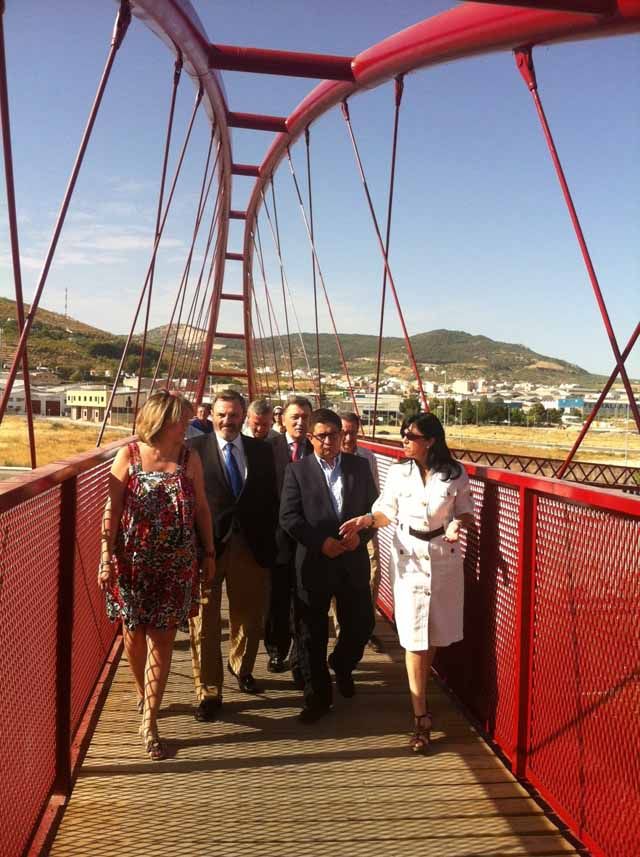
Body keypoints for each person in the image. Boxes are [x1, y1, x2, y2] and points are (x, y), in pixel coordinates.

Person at [340, 412, 474, 754]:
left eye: (409, 435)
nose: (403, 439)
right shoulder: (399, 472)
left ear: (429, 440)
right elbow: (387, 510)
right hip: (409, 557)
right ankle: (421, 715)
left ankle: (421, 691)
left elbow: (466, 510)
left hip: (443, 556)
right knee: (416, 637)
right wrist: (368, 519)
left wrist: (458, 524)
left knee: (433, 634)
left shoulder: (455, 473)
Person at [98, 390, 215, 760]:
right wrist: (104, 557)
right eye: (183, 420)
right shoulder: (128, 456)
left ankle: (149, 720)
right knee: (133, 636)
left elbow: (201, 509)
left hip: (176, 565)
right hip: (132, 563)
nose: (188, 426)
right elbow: (111, 510)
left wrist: (209, 552)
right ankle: (141, 691)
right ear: (164, 422)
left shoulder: (189, 457)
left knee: (162, 639)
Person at [280, 408, 378, 724]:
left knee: (361, 625)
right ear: (310, 438)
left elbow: (375, 514)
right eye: (321, 435)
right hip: (314, 563)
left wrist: (360, 539)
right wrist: (320, 543)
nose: (328, 441)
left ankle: (343, 663)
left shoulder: (359, 468)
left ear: (342, 435)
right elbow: (289, 517)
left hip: (352, 563)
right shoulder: (297, 472)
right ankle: (318, 699)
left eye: (333, 434)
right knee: (311, 634)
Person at [187, 389, 278, 721]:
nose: (228, 420)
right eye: (221, 414)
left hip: (251, 547)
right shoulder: (193, 450)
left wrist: (272, 544)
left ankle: (240, 665)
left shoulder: (262, 451)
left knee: (250, 616)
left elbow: (271, 499)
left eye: (234, 414)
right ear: (211, 415)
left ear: (244, 416)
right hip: (208, 548)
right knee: (204, 623)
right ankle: (209, 691)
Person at [264, 395, 313, 677]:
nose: (300, 422)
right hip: (277, 538)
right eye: (295, 417)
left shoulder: (319, 450)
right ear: (282, 420)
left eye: (305, 417)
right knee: (277, 597)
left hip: (308, 538)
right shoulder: (266, 449)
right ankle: (275, 649)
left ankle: (300, 658)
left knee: (304, 597)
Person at [335, 411, 383, 653]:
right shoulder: (328, 456)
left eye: (352, 431)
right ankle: (340, 627)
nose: (348, 437)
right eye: (343, 431)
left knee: (374, 571)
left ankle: (367, 627)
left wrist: (370, 522)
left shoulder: (367, 457)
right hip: (338, 524)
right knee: (336, 574)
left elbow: (374, 493)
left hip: (364, 524)